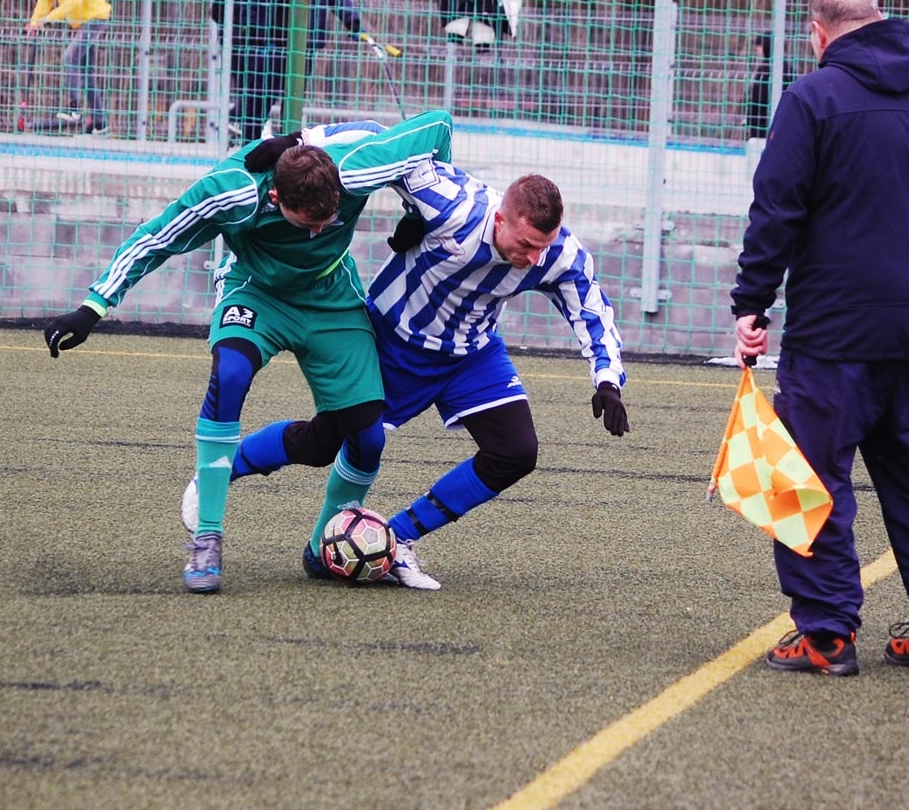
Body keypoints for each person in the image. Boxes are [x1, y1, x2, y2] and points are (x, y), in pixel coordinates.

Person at [181, 122, 630, 590]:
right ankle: (217, 474)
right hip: (395, 343)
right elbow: (383, 141)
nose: (537, 258)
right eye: (527, 245)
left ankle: (394, 539)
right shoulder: (452, 203)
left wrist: (607, 379)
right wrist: (298, 142)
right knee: (322, 445)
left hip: (471, 355)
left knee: (516, 453)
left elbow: (592, 311)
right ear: (501, 219)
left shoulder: (559, 254)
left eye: (545, 245)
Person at [43, 110, 455, 594]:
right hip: (255, 292)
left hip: (332, 299)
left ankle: (321, 551)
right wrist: (93, 306)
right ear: (276, 197)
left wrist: (421, 214)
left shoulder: (356, 168)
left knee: (367, 435)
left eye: (330, 219)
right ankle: (208, 538)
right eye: (308, 222)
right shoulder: (232, 191)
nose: (319, 230)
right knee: (231, 374)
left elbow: (438, 128)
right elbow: (157, 237)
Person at [730, 0, 909, 676]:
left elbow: (777, 209)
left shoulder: (811, 98)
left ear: (817, 31)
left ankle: (825, 635)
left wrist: (751, 302)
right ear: (881, 18)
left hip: (833, 330)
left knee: (807, 478)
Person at [212, 0, 366, 143]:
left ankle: (282, 158)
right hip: (266, 40)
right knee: (259, 99)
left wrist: (354, 23)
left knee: (292, 105)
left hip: (304, 43)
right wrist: (252, 32)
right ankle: (246, 145)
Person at [26, 0, 112, 135]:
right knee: (87, 72)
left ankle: (73, 108)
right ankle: (100, 123)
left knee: (70, 57)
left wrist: (48, 19)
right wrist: (35, 21)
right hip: (80, 22)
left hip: (95, 17)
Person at [744, 32, 795, 140]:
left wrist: (749, 119)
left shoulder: (765, 70)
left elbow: (756, 99)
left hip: (761, 124)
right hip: (785, 122)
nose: (757, 51)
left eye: (759, 47)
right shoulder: (789, 69)